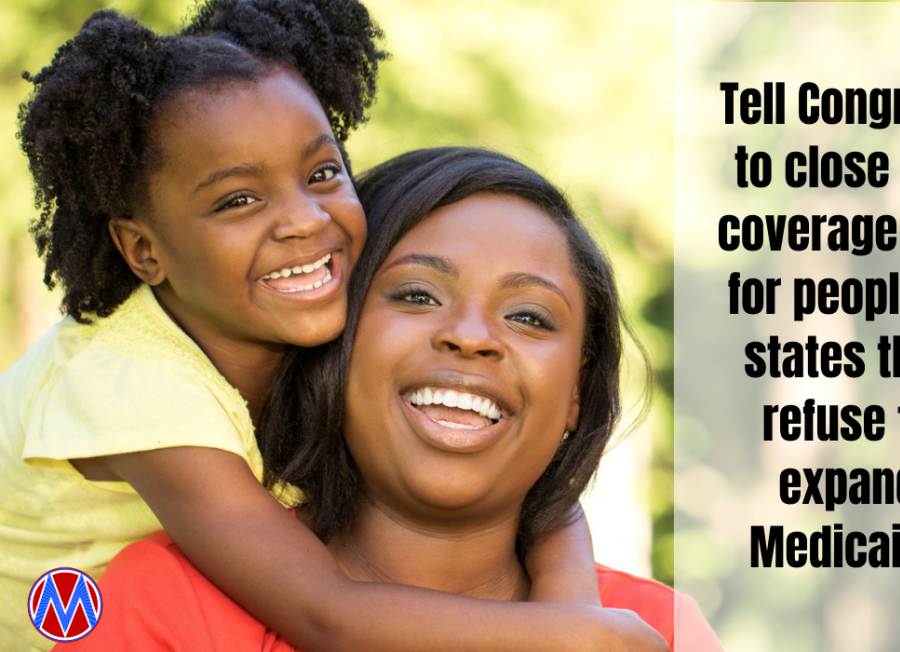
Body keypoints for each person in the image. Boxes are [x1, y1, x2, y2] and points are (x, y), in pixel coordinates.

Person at [2, 3, 661, 651]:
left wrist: (571, 596)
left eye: (322, 173)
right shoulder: (139, 389)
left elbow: (538, 488)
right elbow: (328, 615)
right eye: (239, 200)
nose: (304, 220)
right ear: (145, 251)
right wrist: (566, 634)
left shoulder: (278, 332)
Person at [58, 147, 723, 651]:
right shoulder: (165, 604)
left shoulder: (659, 633)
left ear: (575, 392)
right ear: (333, 338)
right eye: (416, 296)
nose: (470, 337)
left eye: (528, 316)